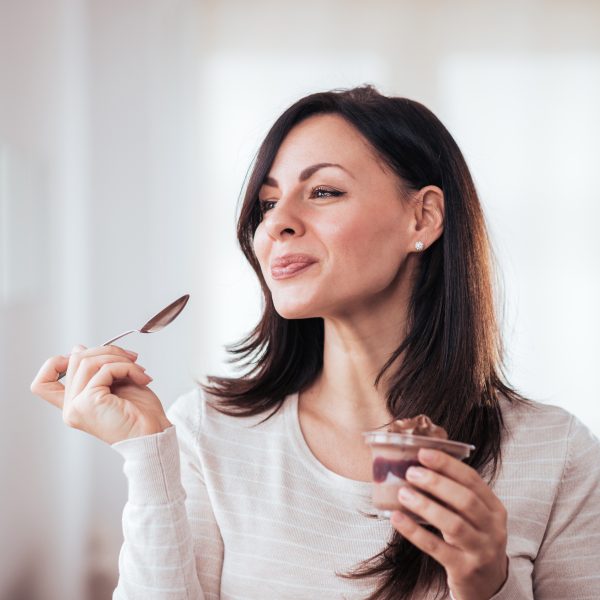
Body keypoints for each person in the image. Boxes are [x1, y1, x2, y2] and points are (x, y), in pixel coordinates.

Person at [31, 85, 600, 600]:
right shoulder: (207, 432)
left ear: (422, 218)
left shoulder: (557, 454)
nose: (276, 224)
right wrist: (148, 455)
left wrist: (487, 586)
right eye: (268, 202)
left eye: (323, 191)